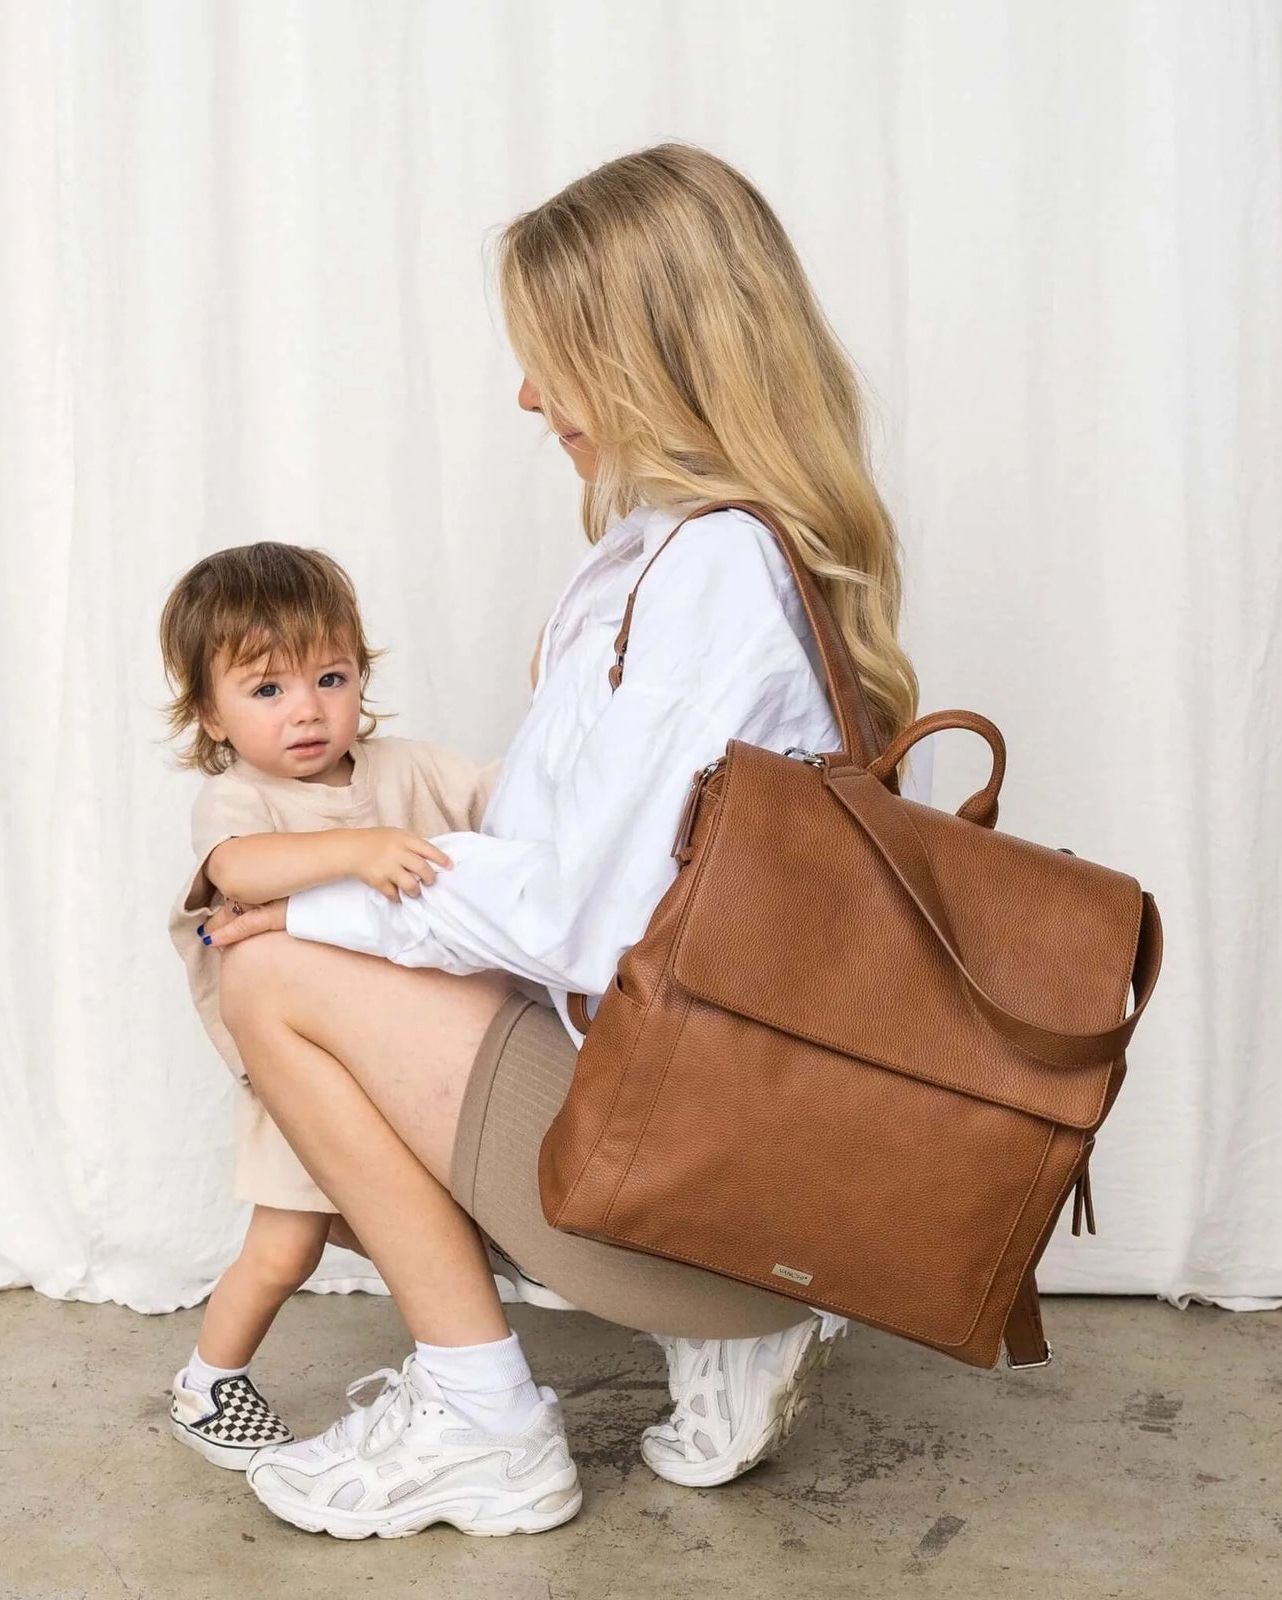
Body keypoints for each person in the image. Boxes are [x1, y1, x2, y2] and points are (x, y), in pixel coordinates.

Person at [204, 143, 922, 1540]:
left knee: (266, 979)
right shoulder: (681, 553)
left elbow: (579, 925)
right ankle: (720, 1333)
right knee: (303, 943)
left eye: (554, 358)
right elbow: (586, 868)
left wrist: (319, 910)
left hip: (694, 1203)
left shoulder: (710, 571)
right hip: (721, 1164)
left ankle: (486, 1419)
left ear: (648, 356)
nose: (530, 396)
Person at [157, 541, 496, 1467]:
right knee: (284, 1249)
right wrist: (358, 852)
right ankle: (207, 1383)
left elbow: (507, 802)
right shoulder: (240, 804)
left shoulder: (411, 771)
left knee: (433, 1216)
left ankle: (460, 1366)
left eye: (331, 677)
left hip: (404, 1062)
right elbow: (237, 873)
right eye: (266, 690)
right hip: (302, 1076)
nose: (307, 710)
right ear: (209, 713)